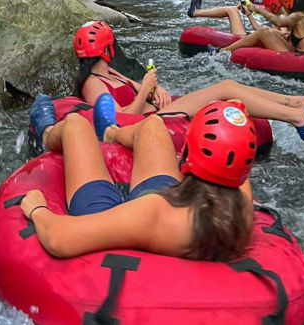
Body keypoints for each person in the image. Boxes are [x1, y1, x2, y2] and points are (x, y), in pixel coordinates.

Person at [23, 100, 257, 261]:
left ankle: (46, 133)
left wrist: (38, 209)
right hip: (176, 211)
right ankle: (111, 133)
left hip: (108, 215)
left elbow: (58, 239)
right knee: (153, 124)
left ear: (186, 156)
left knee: (76, 124)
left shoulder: (154, 213)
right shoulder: (243, 206)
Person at [73, 20, 304, 142]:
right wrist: (145, 92)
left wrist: (155, 89)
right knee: (224, 89)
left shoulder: (110, 73)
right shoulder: (93, 84)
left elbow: (142, 93)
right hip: (148, 124)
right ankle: (300, 118)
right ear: (108, 48)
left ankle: (297, 102)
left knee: (230, 88)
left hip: (159, 110)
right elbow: (118, 121)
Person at [221, 0, 304, 54]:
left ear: (288, 4)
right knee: (268, 31)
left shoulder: (298, 16)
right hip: (302, 53)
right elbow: (289, 35)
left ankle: (223, 51)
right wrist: (273, 32)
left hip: (303, 58)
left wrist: (256, 9)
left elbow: (279, 22)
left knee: (263, 32)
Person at [186, 0, 281, 36]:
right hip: (249, 37)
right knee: (232, 10)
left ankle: (196, 12)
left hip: (243, 38)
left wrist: (248, 14)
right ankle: (197, 12)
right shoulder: (278, 18)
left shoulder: (280, 21)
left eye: (266, 6)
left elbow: (261, 31)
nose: (264, 8)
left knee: (231, 10)